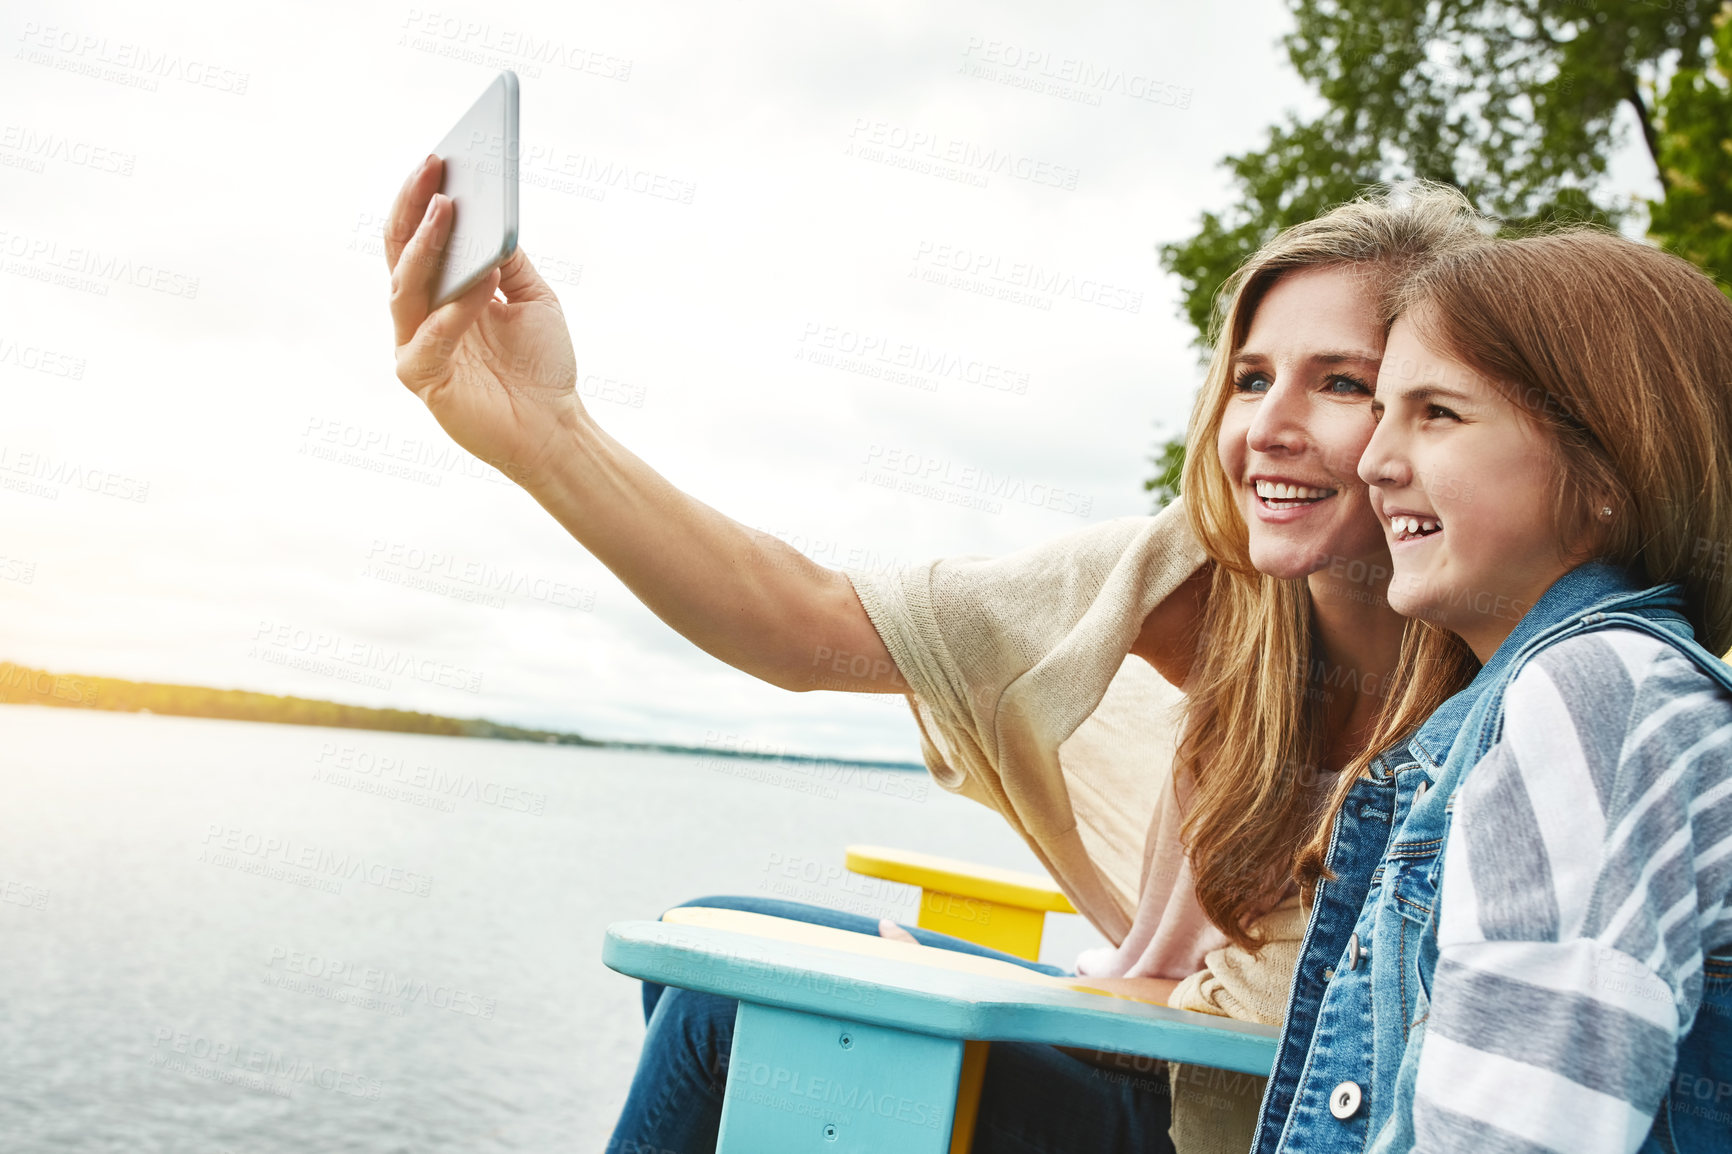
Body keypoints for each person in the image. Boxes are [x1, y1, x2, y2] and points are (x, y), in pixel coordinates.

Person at [380, 165, 1487, 1152]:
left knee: (740, 1015)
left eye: (1339, 383)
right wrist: (546, 429)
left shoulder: (1510, 683)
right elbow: (801, 618)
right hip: (1136, 1026)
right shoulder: (1203, 578)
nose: (1268, 427)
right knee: (708, 940)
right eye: (1249, 379)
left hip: (1221, 1115)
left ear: (1437, 410)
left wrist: (974, 988)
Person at [1250, 229, 1732, 1154]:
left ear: (1607, 472)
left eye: (1437, 413)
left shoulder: (1598, 700)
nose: (1373, 461)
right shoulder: (1535, 706)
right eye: (1382, 409)